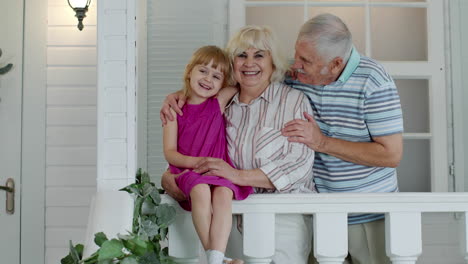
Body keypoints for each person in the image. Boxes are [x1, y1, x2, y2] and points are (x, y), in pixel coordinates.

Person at [161, 25, 316, 263]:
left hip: (280, 220)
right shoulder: (222, 105)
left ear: (273, 62)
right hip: (229, 219)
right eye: (241, 55)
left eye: (259, 55)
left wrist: (237, 176)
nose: (249, 63)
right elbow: (197, 148)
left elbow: (298, 164)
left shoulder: (292, 101)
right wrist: (170, 176)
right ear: (231, 64)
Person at [281, 13, 403, 264]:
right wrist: (185, 97)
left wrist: (321, 142)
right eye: (297, 54)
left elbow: (391, 155)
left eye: (306, 60)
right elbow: (246, 81)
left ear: (336, 64)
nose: (296, 64)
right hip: (318, 213)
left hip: (370, 215)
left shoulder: (374, 80)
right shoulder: (295, 75)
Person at [163, 45, 253, 264]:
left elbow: (242, 80)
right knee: (201, 189)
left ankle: (217, 256)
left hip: (217, 172)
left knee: (224, 194)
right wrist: (197, 163)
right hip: (188, 173)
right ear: (189, 71)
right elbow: (170, 153)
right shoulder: (175, 111)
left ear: (222, 83)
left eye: (216, 76)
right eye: (203, 71)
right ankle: (214, 257)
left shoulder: (217, 103)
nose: (208, 79)